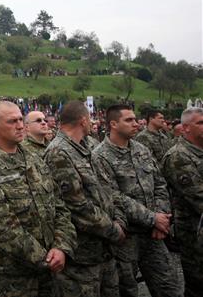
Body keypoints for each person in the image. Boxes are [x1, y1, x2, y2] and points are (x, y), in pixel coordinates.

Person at [0, 101, 76, 297]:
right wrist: (45, 259)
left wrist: (62, 247)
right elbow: (1, 226)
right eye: (12, 121)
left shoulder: (35, 159)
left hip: (50, 271)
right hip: (13, 277)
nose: (20, 125)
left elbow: (59, 207)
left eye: (20, 119)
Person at [92, 105, 180, 297]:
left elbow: (160, 184)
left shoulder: (142, 150)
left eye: (135, 119)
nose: (136, 123)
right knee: (127, 290)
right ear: (113, 124)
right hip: (126, 239)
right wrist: (153, 218)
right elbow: (114, 196)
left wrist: (161, 220)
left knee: (169, 288)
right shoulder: (100, 156)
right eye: (129, 120)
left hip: (153, 235)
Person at [44, 101, 125, 297]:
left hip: (103, 249)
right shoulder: (59, 152)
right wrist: (113, 229)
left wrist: (119, 218)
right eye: (90, 119)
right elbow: (76, 206)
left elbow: (106, 190)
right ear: (83, 120)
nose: (92, 123)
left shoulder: (84, 147)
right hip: (82, 255)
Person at [162, 107, 203, 297]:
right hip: (194, 234)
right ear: (185, 128)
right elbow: (198, 197)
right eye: (200, 123)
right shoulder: (178, 156)